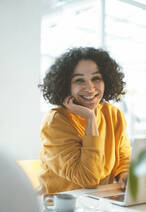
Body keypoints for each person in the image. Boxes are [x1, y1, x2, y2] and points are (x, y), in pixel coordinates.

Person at [38, 47, 131, 194]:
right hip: (60, 208)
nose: (90, 88)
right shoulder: (55, 121)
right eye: (79, 80)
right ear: (66, 86)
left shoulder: (113, 114)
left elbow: (123, 156)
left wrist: (125, 175)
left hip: (100, 203)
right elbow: (88, 178)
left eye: (96, 78)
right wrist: (90, 118)